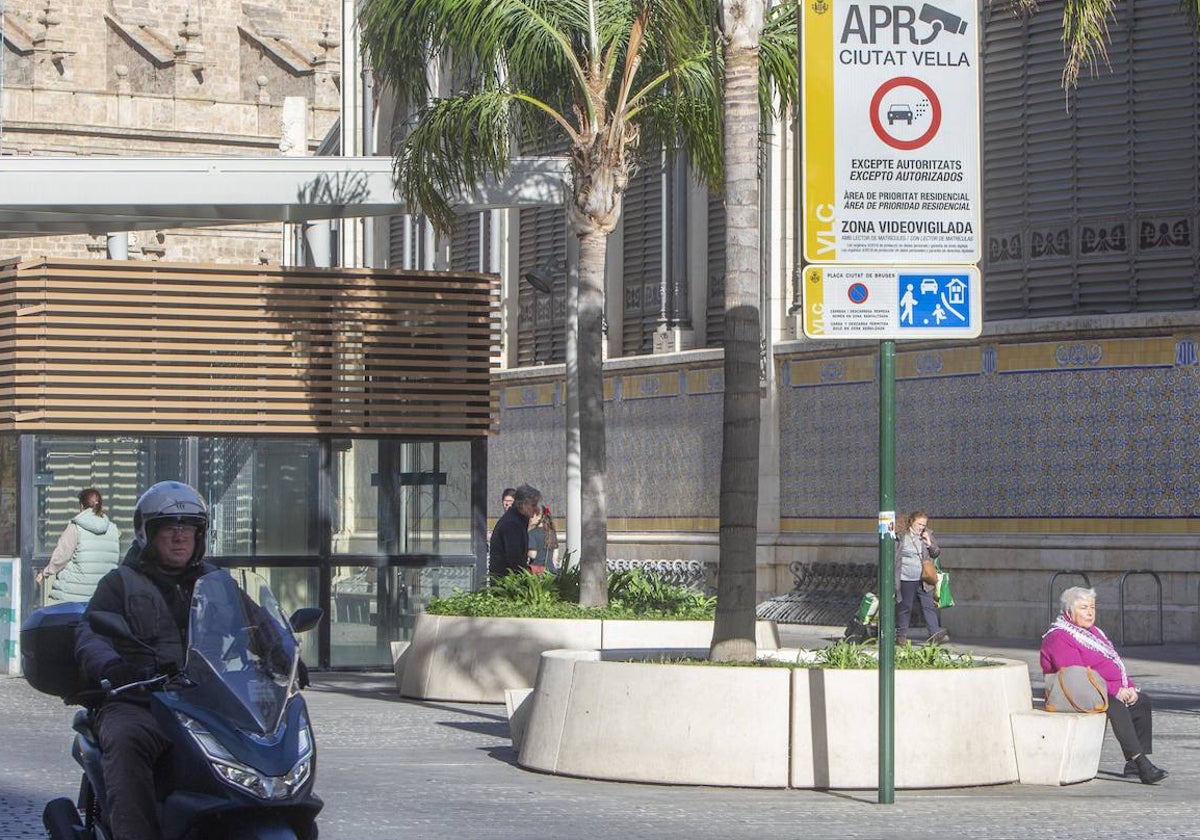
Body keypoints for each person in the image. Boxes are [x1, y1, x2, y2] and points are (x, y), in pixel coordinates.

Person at [73, 480, 218, 840]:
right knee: (126, 738)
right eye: (169, 528)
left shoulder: (215, 581)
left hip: (206, 700)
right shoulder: (120, 582)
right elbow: (89, 633)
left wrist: (283, 652)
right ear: (147, 533)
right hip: (139, 699)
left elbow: (253, 623)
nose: (180, 537)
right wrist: (112, 667)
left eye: (189, 529)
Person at [1041, 586, 1167, 785]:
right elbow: (1077, 677)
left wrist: (1129, 687)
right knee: (1115, 705)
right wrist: (1114, 691)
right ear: (1068, 612)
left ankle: (1132, 765)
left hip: (1095, 689)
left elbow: (1114, 663)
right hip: (1071, 693)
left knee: (1141, 701)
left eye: (1092, 607)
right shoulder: (1059, 637)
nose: (1090, 612)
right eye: (1083, 608)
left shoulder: (1094, 632)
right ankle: (1142, 764)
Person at [36, 487, 121, 603]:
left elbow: (62, 556)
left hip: (73, 597)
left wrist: (45, 572)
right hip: (102, 597)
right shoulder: (113, 529)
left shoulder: (75, 527)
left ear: (81, 506)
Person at [893, 510, 948, 645]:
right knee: (905, 606)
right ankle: (901, 636)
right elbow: (894, 556)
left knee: (928, 605)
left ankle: (934, 634)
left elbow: (935, 553)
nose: (922, 527)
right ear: (912, 522)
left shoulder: (927, 534)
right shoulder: (901, 536)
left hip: (924, 578)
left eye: (924, 524)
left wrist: (929, 543)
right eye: (919, 524)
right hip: (906, 577)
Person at [487, 483, 541, 578]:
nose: (536, 509)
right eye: (533, 505)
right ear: (523, 505)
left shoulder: (517, 520)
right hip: (506, 582)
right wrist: (530, 574)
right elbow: (515, 558)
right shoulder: (512, 523)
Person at [526, 506, 560, 574]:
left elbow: (533, 554)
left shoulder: (531, 533)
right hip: (550, 571)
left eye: (531, 515)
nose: (529, 518)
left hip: (536, 572)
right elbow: (555, 556)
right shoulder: (552, 532)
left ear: (538, 517)